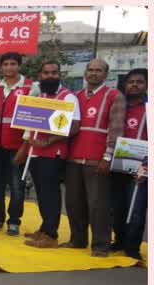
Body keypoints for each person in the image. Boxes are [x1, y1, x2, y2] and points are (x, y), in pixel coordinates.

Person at [63, 59, 126, 256]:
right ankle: (78, 240)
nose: (93, 73)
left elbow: (116, 129)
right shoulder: (76, 97)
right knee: (74, 203)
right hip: (73, 158)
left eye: (98, 70)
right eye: (90, 70)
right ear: (85, 73)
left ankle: (100, 245)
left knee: (98, 205)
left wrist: (107, 157)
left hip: (97, 160)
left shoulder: (114, 96)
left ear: (105, 75)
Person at [16, 61, 81, 249]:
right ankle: (45, 229)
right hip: (35, 152)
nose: (50, 76)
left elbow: (74, 127)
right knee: (41, 193)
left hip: (53, 153)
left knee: (50, 194)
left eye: (54, 72)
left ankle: (51, 234)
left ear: (59, 74)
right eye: (46, 73)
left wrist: (48, 142)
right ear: (40, 76)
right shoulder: (40, 95)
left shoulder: (68, 98)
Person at [0, 52, 31, 235]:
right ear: (1, 67)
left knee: (16, 185)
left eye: (13, 64)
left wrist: (25, 145)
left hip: (17, 146)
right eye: (6, 64)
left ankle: (14, 221)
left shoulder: (30, 87)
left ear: (19, 66)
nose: (9, 67)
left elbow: (33, 119)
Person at [111, 68, 148, 260]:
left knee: (136, 208)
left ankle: (132, 247)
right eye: (131, 82)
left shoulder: (149, 109)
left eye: (139, 82)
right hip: (118, 162)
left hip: (142, 166)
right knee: (118, 206)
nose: (134, 85)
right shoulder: (119, 105)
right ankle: (118, 241)